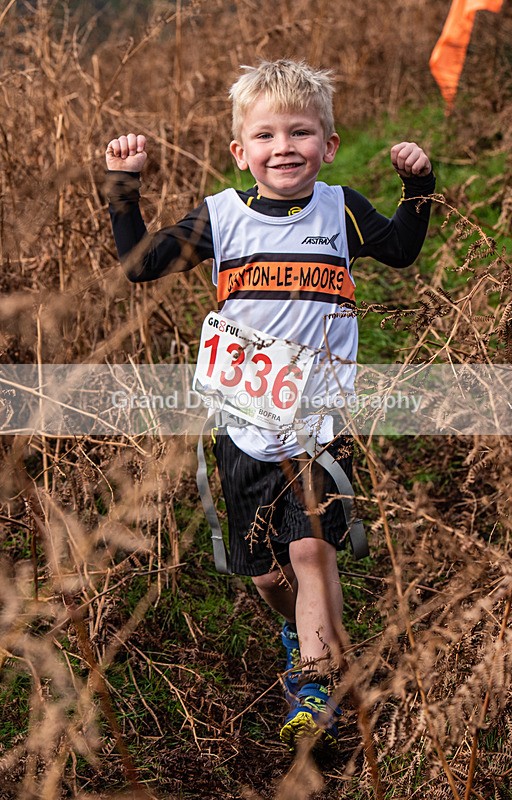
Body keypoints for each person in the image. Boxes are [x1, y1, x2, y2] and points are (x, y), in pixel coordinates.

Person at [105, 59, 434, 753]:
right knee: (266, 573)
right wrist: (123, 189)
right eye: (265, 135)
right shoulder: (222, 217)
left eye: (301, 132)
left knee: (311, 549)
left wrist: (418, 187)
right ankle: (297, 631)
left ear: (330, 145)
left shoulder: (341, 208)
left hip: (319, 420)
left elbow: (403, 251)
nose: (284, 147)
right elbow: (139, 266)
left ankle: (317, 690)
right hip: (243, 422)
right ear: (240, 151)